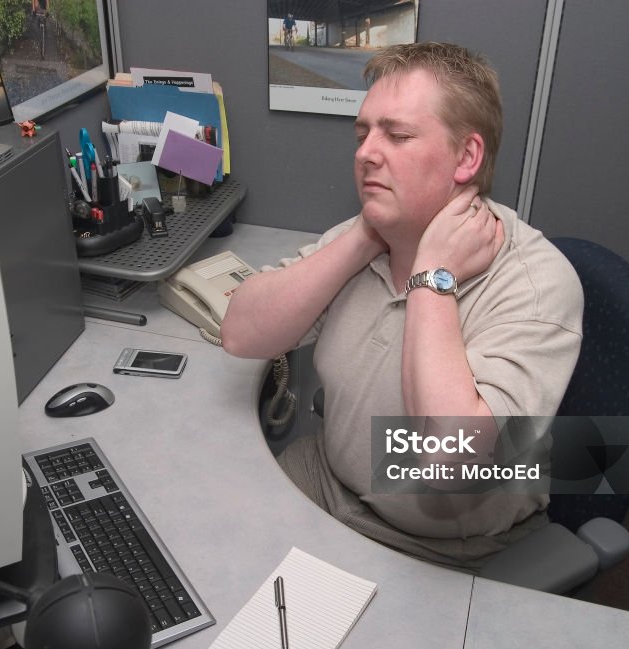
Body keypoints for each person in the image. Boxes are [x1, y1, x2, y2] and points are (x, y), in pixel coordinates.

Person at [220, 42, 584, 570]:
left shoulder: (536, 284)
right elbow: (240, 333)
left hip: (438, 549)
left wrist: (432, 282)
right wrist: (362, 239)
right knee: (206, 559)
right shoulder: (375, 229)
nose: (366, 152)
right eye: (362, 132)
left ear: (467, 158)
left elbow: (451, 461)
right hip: (326, 482)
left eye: (397, 135)